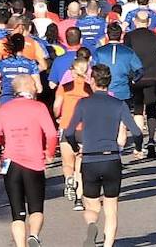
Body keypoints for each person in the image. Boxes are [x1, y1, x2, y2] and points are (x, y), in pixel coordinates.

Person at [64, 63, 143, 247]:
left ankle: (92, 225)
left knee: (91, 205)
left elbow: (69, 132)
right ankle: (108, 244)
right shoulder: (118, 104)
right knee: (111, 207)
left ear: (92, 81)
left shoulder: (83, 103)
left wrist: (76, 148)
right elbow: (137, 132)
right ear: (109, 82)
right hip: (111, 158)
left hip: (90, 159)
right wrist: (138, 148)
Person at [0, 74, 59, 247]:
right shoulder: (39, 107)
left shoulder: (5, 109)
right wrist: (49, 153)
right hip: (34, 162)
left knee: (17, 212)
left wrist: (1, 141)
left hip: (10, 163)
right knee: (36, 207)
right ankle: (33, 235)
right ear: (30, 87)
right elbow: (51, 134)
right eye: (34, 84)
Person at [123, 9, 156, 158]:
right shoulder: (155, 37)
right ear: (149, 23)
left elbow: (126, 54)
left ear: (135, 22)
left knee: (138, 108)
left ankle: (138, 144)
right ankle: (151, 140)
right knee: (151, 108)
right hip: (153, 76)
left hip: (136, 77)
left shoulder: (129, 37)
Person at [55, 56, 93, 209]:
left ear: (73, 70)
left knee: (67, 163)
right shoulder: (90, 88)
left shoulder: (65, 86)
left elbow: (57, 106)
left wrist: (58, 116)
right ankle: (79, 200)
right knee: (80, 165)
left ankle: (68, 179)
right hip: (84, 129)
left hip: (67, 126)